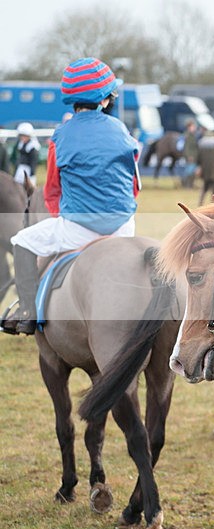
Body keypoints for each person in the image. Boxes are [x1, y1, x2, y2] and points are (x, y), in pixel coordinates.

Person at [2, 57, 139, 335]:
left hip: (79, 228)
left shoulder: (60, 135)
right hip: (124, 225)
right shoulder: (122, 130)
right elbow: (135, 185)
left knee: (22, 241)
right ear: (104, 100)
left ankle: (28, 311)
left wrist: (62, 218)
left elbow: (52, 189)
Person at [181, 119, 199, 188]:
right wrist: (189, 156)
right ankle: (186, 184)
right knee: (189, 171)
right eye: (192, 126)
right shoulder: (188, 136)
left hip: (194, 156)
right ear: (189, 127)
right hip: (191, 157)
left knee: (191, 171)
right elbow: (187, 147)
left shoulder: (193, 135)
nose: (194, 128)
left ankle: (190, 184)